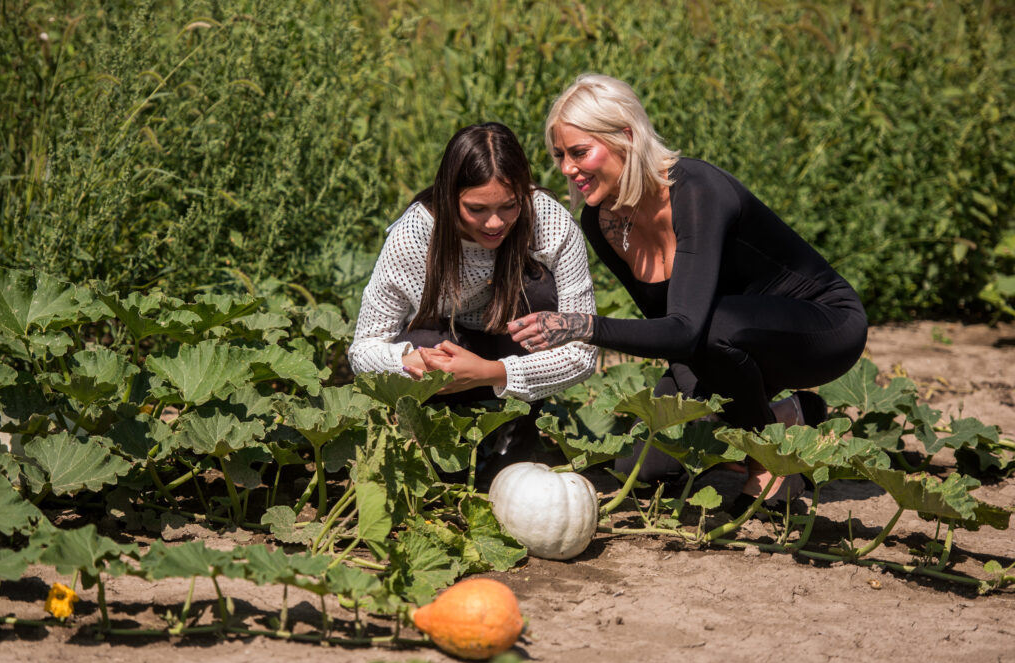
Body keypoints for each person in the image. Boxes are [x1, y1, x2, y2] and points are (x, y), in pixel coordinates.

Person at [508, 74, 868, 510]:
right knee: (643, 468)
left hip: (821, 327)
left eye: (579, 152)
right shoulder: (600, 223)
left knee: (718, 326)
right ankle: (786, 415)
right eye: (560, 155)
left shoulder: (697, 190)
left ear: (625, 136)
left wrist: (579, 325)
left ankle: (768, 465)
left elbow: (685, 330)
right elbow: (672, 330)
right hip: (717, 340)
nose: (566, 168)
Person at [348, 121, 598, 475]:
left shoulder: (551, 224)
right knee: (417, 343)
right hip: (443, 360)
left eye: (509, 206)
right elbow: (362, 351)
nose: (495, 223)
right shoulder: (414, 237)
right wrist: (412, 361)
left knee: (540, 289)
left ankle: (516, 430)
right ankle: (441, 439)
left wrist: (490, 373)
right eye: (477, 209)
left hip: (511, 360)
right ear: (450, 197)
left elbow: (583, 352)